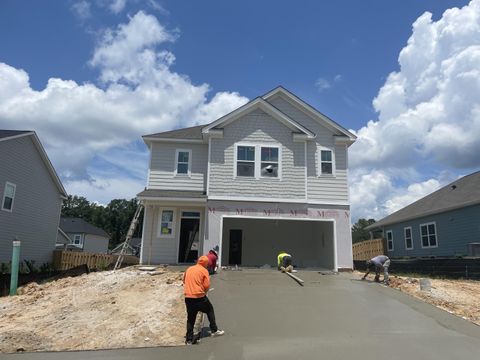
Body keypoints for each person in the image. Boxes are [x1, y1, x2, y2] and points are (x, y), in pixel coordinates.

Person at [183, 255, 224, 344]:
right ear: (205, 263)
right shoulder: (204, 270)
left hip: (188, 297)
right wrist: (204, 292)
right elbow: (206, 285)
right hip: (199, 297)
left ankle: (189, 339)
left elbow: (184, 280)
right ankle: (214, 330)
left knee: (190, 318)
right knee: (210, 310)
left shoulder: (189, 269)